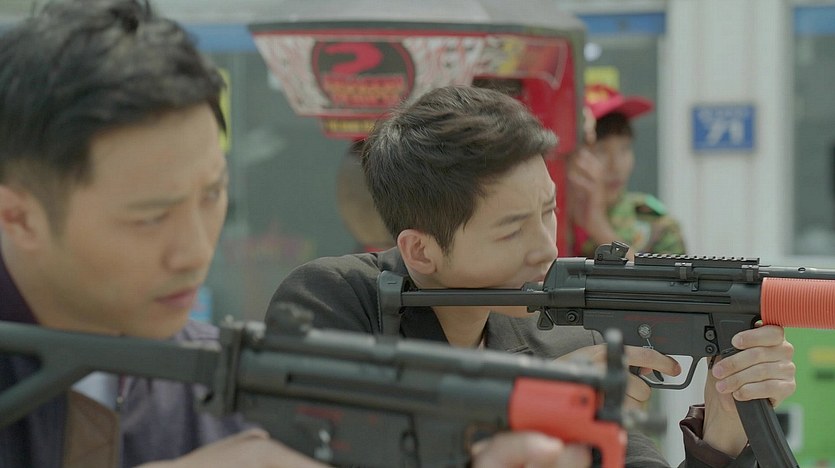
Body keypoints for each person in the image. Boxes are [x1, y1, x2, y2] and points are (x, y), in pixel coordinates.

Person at [0, 2, 590, 467]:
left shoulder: (216, 379)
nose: (195, 249)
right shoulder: (306, 321)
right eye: (150, 217)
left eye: (213, 195)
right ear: (18, 216)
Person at [267, 85, 797, 467]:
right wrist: (524, 403)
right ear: (421, 251)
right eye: (511, 230)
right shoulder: (337, 303)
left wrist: (723, 436)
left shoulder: (567, 337)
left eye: (548, 212)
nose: (547, 247)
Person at [568, 84, 686, 260]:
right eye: (600, 150)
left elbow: (663, 279)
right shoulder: (545, 220)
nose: (616, 166)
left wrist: (600, 229)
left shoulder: (657, 226)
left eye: (624, 148)